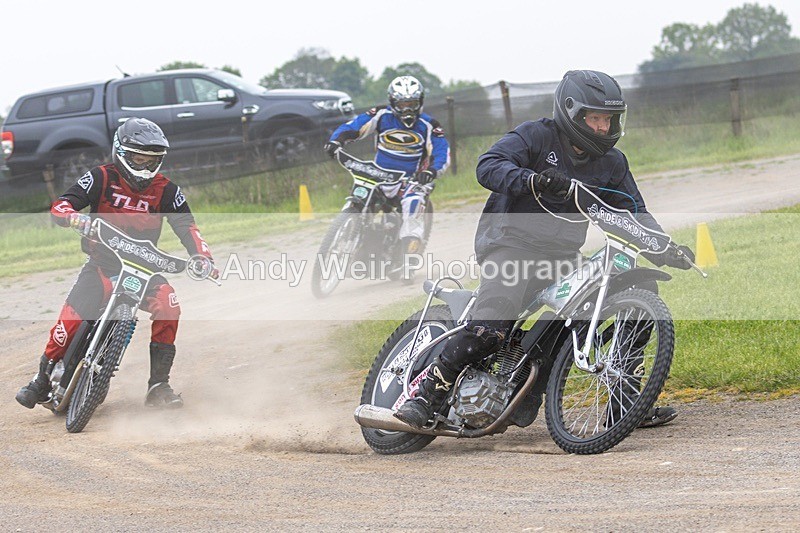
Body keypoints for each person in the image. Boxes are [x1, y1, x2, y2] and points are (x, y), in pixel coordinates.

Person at [394, 70, 693, 430]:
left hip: (562, 256)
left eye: (608, 120)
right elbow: (487, 166)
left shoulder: (613, 163)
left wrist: (665, 249)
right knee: (492, 324)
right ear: (571, 112)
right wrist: (532, 179)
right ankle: (427, 392)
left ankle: (626, 403)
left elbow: (632, 212)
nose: (602, 128)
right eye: (594, 118)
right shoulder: (536, 135)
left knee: (635, 294)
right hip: (508, 244)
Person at [15, 118, 215, 410]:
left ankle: (158, 386)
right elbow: (61, 204)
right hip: (102, 265)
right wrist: (73, 216)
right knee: (70, 319)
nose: (146, 167)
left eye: (153, 161)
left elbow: (188, 227)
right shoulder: (101, 177)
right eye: (139, 159)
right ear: (121, 152)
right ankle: (42, 378)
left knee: (170, 305)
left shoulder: (168, 190)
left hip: (144, 270)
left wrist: (203, 258)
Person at [324, 75, 450, 272]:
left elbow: (442, 152)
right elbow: (355, 126)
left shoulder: (429, 125)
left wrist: (431, 171)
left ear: (420, 102)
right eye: (402, 104)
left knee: (413, 203)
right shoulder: (381, 115)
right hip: (379, 176)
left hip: (411, 180)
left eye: (412, 103)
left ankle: (409, 254)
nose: (407, 109)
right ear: (392, 102)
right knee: (362, 196)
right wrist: (336, 141)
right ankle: (357, 240)